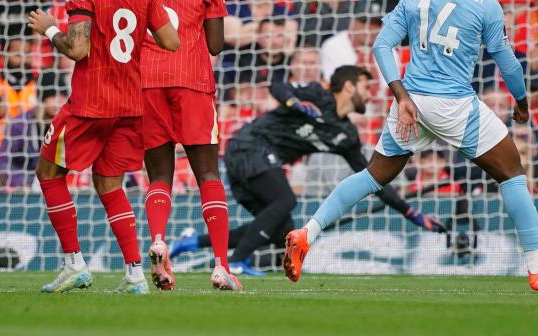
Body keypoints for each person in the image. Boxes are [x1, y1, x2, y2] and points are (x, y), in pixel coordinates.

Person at [283, 0, 538, 291]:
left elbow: (382, 46)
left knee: (373, 175)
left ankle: (307, 232)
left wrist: (401, 95)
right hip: (454, 104)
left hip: (412, 102)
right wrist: (521, 102)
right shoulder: (486, 4)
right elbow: (508, 63)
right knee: (512, 172)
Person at [26, 0, 179, 294]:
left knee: (49, 173)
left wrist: (49, 30)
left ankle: (74, 263)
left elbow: (77, 49)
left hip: (90, 102)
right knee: (109, 182)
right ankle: (133, 275)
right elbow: (171, 41)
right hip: (131, 104)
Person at [170, 66, 445, 275]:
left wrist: (410, 212)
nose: (370, 93)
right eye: (365, 85)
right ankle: (237, 262)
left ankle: (193, 242)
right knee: (286, 200)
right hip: (249, 145)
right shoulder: (317, 94)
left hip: (255, 162)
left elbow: (372, 179)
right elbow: (278, 87)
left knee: (281, 228)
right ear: (348, 87)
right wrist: (295, 103)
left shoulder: (346, 135)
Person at [130, 0, 240, 292]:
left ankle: (159, 239)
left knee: (159, 176)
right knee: (208, 175)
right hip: (192, 81)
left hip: (147, 82)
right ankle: (222, 265)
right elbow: (215, 45)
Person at [320, 0, 385, 82]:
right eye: (365, 22)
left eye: (376, 24)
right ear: (353, 22)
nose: (370, 29)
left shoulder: (389, 50)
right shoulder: (332, 46)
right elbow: (334, 86)